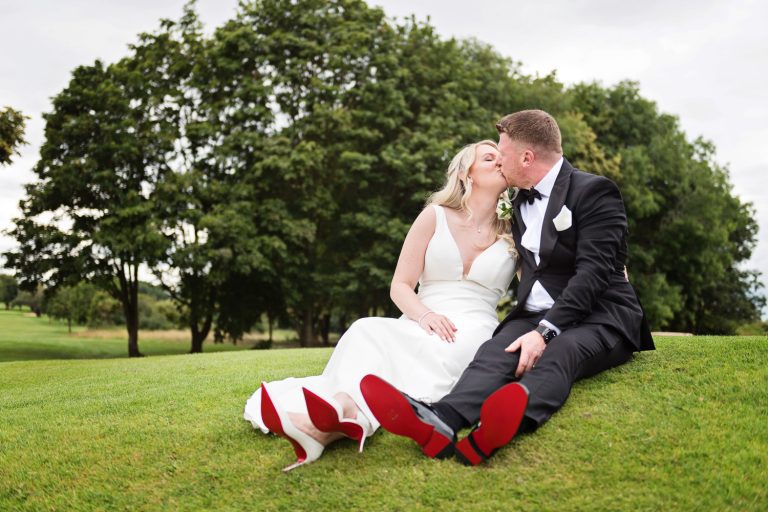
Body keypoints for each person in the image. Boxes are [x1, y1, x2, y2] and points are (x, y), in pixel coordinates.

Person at [360, 109, 655, 465]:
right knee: (494, 351)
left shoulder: (595, 192)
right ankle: (442, 419)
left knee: (562, 352)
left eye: (503, 152)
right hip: (534, 312)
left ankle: (502, 425)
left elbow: (592, 273)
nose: (500, 160)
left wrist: (545, 332)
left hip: (600, 315)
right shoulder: (515, 203)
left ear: (527, 157)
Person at [243, 140, 518, 471]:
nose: (499, 162)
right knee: (366, 329)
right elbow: (400, 285)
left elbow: (540, 286)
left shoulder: (518, 230)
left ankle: (319, 428)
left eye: (503, 159)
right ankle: (336, 415)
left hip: (475, 328)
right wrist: (424, 315)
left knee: (442, 352)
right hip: (422, 317)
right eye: (489, 157)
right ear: (464, 173)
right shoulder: (434, 217)